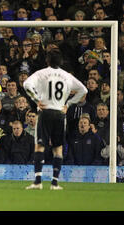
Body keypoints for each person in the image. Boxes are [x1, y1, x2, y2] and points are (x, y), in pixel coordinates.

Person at [23, 50, 88, 190]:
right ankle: (54, 183)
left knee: (40, 146)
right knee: (58, 148)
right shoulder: (67, 76)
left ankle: (38, 182)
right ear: (61, 62)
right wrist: (69, 104)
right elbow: (83, 90)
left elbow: (26, 84)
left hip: (45, 112)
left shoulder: (41, 73)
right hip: (60, 113)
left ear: (47, 60)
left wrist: (36, 100)